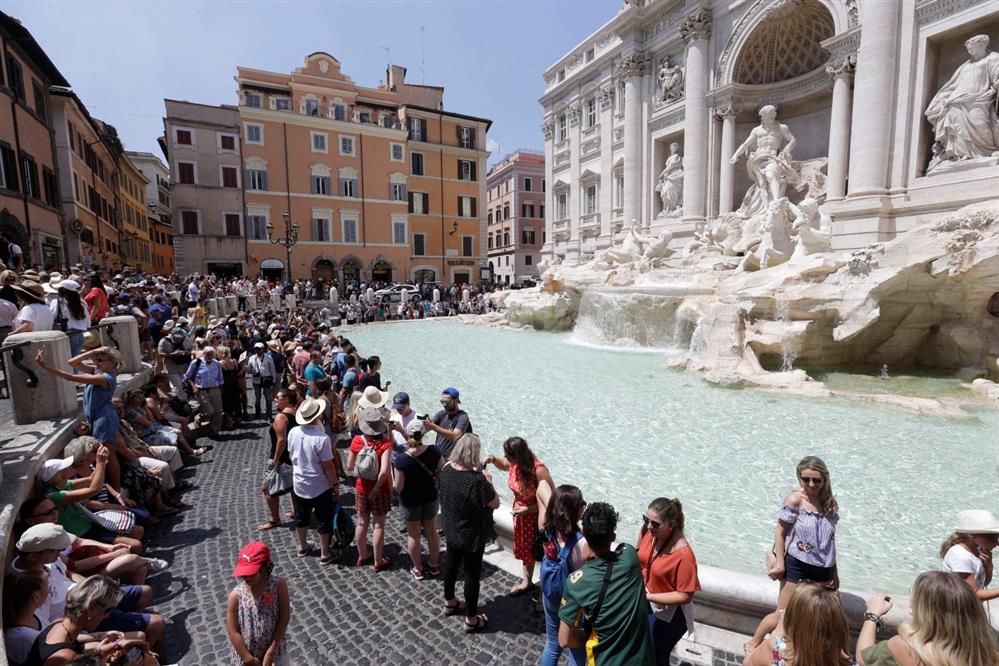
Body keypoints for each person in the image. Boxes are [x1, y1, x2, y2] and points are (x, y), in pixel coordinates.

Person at [746, 456, 839, 654]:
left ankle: (795, 653)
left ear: (825, 480)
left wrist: (835, 573)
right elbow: (779, 533)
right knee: (784, 615)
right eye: (806, 479)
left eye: (816, 480)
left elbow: (830, 541)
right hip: (797, 564)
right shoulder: (795, 499)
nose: (811, 484)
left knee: (815, 617)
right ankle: (756, 644)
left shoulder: (829, 503)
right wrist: (780, 563)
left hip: (823, 569)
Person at [558, 502, 654, 666]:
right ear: (613, 537)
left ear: (584, 534)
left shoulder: (577, 582)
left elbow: (564, 640)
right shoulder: (629, 556)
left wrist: (586, 633)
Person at [856, 571, 999, 666]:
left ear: (926, 609)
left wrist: (872, 615)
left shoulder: (905, 647)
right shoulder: (987, 655)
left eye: (914, 592)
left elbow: (863, 658)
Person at [438, 433, 500, 633]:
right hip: (471, 535)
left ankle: (450, 602)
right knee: (472, 575)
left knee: (451, 565)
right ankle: (472, 620)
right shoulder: (477, 481)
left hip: (451, 528)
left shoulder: (446, 469)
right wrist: (489, 481)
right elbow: (495, 504)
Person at [27, 575, 156, 666]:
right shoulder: (65, 658)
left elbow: (81, 646)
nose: (106, 616)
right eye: (107, 611)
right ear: (92, 608)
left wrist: (118, 644)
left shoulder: (60, 624)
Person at [483, 437, 553, 595]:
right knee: (527, 552)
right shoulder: (515, 463)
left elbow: (552, 500)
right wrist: (494, 460)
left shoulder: (539, 470)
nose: (506, 459)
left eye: (509, 456)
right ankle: (527, 581)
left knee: (541, 553)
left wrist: (528, 509)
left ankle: (544, 592)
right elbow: (505, 464)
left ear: (518, 456)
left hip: (537, 518)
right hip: (522, 516)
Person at [638, 498, 699, 665]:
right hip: (646, 603)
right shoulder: (647, 532)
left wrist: (649, 597)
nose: (649, 526)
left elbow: (686, 595)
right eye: (646, 520)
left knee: (657, 656)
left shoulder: (684, 555)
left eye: (655, 524)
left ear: (671, 525)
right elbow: (639, 557)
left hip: (669, 615)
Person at [744, 583, 853, 666]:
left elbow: (748, 663)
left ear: (792, 620)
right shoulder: (843, 659)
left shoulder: (776, 650)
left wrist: (777, 633)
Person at [286, 397, 339, 565]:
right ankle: (325, 552)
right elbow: (328, 466)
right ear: (318, 415)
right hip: (319, 485)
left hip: (299, 482)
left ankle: (302, 546)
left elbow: (290, 454)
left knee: (301, 517)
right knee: (323, 518)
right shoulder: (322, 438)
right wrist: (335, 485)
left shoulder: (293, 432)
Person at [538, 485, 588, 666]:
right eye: (582, 504)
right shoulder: (581, 544)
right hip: (570, 604)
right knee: (577, 652)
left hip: (549, 595)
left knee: (552, 644)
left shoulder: (548, 529)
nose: (583, 507)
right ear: (574, 510)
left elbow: (542, 487)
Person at [35, 347, 123, 449]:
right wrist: (93, 351)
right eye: (96, 359)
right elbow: (72, 363)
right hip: (99, 418)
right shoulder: (97, 371)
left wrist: (46, 367)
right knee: (103, 456)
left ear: (113, 362)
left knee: (107, 457)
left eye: (100, 360)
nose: (97, 363)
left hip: (105, 420)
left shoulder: (105, 378)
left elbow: (70, 377)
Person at [392, 419, 443, 580]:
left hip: (410, 501)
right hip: (431, 498)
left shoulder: (401, 459)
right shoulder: (434, 451)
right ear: (423, 433)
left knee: (414, 536)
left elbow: (398, 486)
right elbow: (442, 469)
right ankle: (434, 565)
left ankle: (418, 569)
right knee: (432, 532)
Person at [226, 541, 291, 666]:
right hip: (246, 659)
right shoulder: (235, 596)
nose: (246, 577)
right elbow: (233, 631)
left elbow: (285, 617)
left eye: (251, 573)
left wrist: (271, 650)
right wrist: (249, 659)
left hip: (276, 653)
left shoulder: (278, 585)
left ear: (264, 567)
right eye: (243, 573)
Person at [347, 405, 395, 571]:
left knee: (361, 523)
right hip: (380, 490)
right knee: (378, 525)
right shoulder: (386, 444)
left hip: (361, 488)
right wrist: (375, 490)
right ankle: (377, 560)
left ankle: (362, 555)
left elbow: (349, 467)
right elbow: (383, 473)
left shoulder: (357, 441)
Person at [257, 389, 298, 532]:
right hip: (293, 456)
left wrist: (275, 460)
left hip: (280, 458)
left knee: (267, 488)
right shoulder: (296, 413)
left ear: (287, 399)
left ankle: (274, 520)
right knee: (294, 486)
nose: (275, 400)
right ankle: (297, 512)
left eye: (278, 398)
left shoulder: (281, 417)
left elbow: (281, 441)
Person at [938, 509, 999, 601]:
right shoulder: (961, 557)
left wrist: (989, 567)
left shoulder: (977, 550)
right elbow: (973, 595)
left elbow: (983, 583)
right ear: (973, 535)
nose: (997, 543)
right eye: (992, 538)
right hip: (958, 611)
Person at [3, 569, 49, 666]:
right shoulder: (23, 638)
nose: (50, 589)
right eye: (47, 585)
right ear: (35, 597)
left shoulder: (36, 612)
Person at [185, 346, 225, 435]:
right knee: (210, 411)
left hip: (215, 389)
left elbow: (220, 378)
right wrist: (193, 387)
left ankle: (215, 430)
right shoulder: (196, 363)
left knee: (218, 411)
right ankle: (199, 418)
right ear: (204, 354)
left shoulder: (216, 363)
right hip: (201, 391)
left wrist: (221, 390)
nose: (210, 356)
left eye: (212, 354)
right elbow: (188, 377)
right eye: (208, 354)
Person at [424, 387, 472, 461]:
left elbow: (455, 436)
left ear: (456, 401)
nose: (444, 404)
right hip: (437, 458)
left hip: (452, 462)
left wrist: (434, 427)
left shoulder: (463, 417)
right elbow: (426, 428)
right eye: (442, 402)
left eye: (447, 402)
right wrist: (423, 425)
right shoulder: (442, 414)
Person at [48, 280, 90, 358]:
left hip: (66, 335)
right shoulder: (82, 304)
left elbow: (51, 318)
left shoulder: (57, 303)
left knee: (65, 362)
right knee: (75, 363)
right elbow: (88, 323)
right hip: (79, 335)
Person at [245, 342, 277, 420]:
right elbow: (249, 371)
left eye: (259, 349)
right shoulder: (252, 358)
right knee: (257, 398)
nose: (257, 350)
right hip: (256, 380)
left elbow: (272, 369)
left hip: (266, 379)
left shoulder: (268, 357)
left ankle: (269, 415)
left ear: (263, 349)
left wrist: (274, 380)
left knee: (268, 398)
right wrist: (244, 365)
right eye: (256, 349)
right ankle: (258, 413)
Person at [218, 346, 242, 429]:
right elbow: (240, 373)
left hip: (225, 386)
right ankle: (238, 420)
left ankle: (229, 423)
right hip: (235, 384)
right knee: (236, 402)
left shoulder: (220, 363)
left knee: (227, 404)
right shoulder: (234, 361)